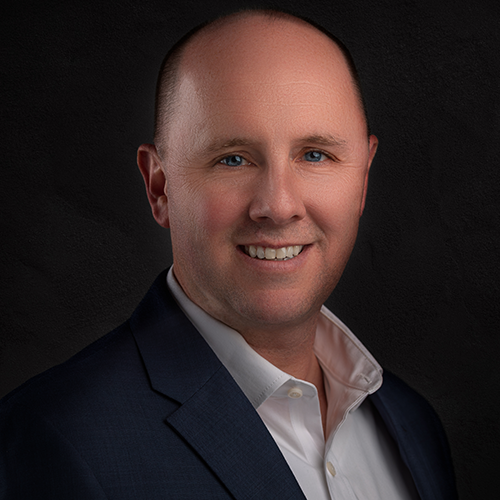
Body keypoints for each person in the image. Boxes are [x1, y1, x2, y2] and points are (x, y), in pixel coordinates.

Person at [0, 8, 457, 500]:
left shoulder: (413, 425)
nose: (278, 206)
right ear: (160, 187)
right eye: (233, 159)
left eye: (315, 155)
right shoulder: (56, 438)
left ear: (362, 178)